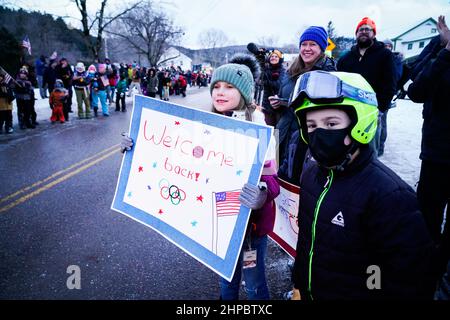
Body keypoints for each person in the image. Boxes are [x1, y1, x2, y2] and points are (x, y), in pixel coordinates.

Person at [121, 54, 280, 300]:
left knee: (253, 283)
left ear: (245, 92)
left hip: (251, 228)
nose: (220, 92)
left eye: (229, 86)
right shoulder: (206, 126)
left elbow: (273, 181)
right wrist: (136, 146)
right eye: (216, 86)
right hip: (219, 224)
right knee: (226, 281)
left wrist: (262, 193)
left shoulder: (260, 129)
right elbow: (174, 160)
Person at [287, 70, 435, 300]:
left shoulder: (389, 196)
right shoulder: (311, 175)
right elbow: (307, 241)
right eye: (312, 125)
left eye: (332, 123)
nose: (319, 133)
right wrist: (300, 282)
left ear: (360, 123)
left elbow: (402, 278)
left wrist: (371, 289)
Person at [407, 15, 450, 291]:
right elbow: (416, 89)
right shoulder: (440, 48)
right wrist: (445, 51)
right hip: (437, 153)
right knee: (428, 218)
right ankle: (426, 274)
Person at [271, 26, 336, 186]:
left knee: (298, 181)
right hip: (283, 130)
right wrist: (277, 104)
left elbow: (323, 108)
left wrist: (288, 104)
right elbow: (284, 95)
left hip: (305, 137)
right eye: (304, 44)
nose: (307, 48)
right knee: (276, 178)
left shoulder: (328, 72)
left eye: (312, 44)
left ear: (322, 47)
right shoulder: (291, 70)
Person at [337, 17, 397, 157]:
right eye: (360, 30)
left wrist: (380, 109)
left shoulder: (384, 55)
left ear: (374, 34)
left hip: (372, 111)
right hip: (348, 110)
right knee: (347, 149)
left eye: (367, 29)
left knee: (369, 151)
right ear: (356, 34)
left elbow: (390, 84)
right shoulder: (346, 58)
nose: (363, 32)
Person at [261, 49, 286, 127]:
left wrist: (266, 82)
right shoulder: (266, 70)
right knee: (266, 128)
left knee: (277, 130)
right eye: (272, 56)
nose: (273, 58)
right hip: (266, 105)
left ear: (280, 59)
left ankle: (276, 139)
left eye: (276, 56)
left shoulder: (282, 70)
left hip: (278, 105)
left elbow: (279, 84)